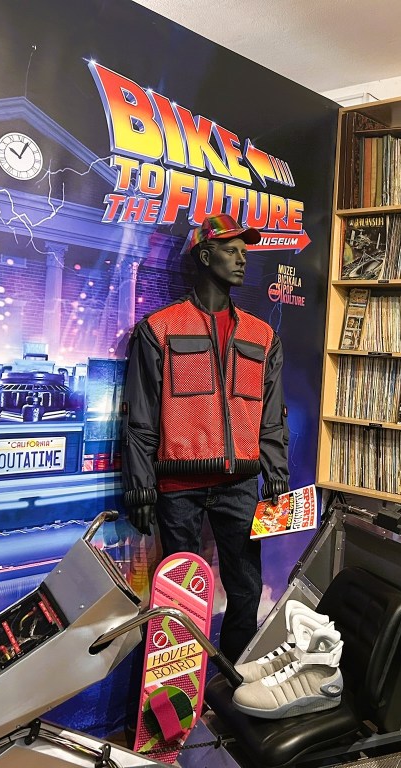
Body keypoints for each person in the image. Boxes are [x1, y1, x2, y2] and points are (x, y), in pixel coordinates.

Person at [121, 213, 290, 662]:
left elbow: (270, 413)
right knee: (178, 598)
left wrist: (276, 471)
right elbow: (140, 415)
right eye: (232, 250)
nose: (242, 259)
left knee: (247, 589)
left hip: (241, 485)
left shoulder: (262, 335)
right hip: (179, 487)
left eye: (245, 252)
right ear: (204, 253)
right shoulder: (159, 328)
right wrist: (139, 485)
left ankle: (232, 684)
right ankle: (178, 683)